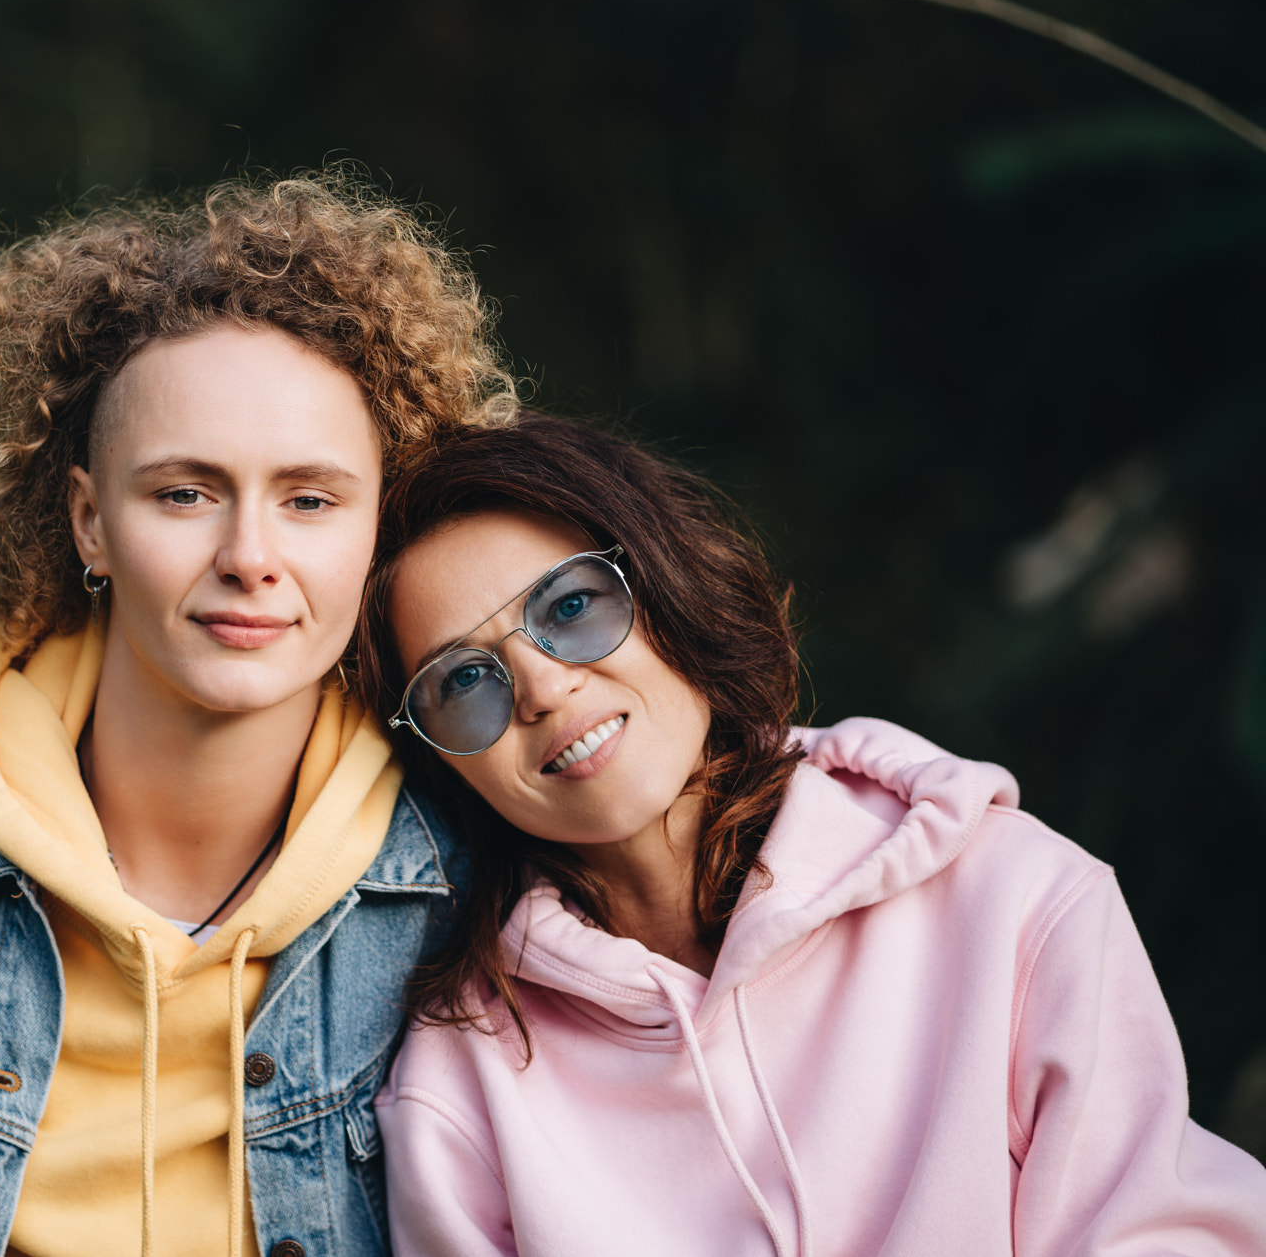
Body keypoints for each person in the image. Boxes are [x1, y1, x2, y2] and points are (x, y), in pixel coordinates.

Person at [0, 173, 517, 1257]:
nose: (249, 559)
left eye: (310, 499)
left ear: (379, 525)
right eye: (184, 492)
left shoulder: (486, 887)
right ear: (89, 521)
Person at [355, 411, 1266, 1256]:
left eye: (569, 608)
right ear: (436, 759)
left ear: (665, 589)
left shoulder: (1010, 893)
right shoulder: (459, 1089)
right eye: (465, 682)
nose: (544, 690)